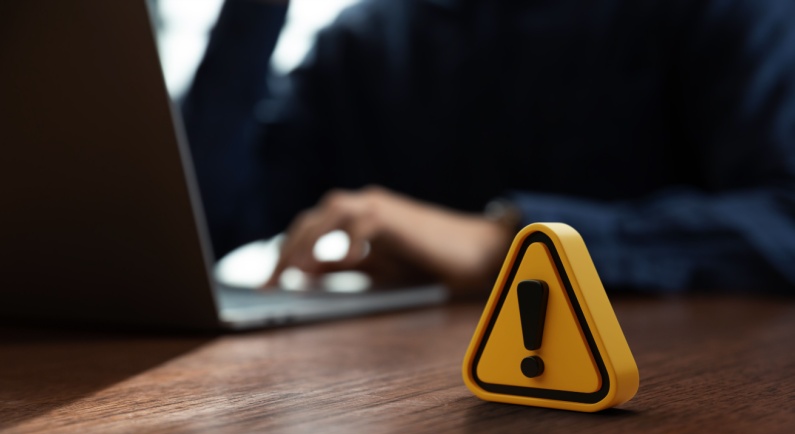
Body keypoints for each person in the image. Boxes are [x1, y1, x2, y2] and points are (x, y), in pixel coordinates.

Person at [182, 0, 795, 296]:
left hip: (669, 416)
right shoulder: (370, 42)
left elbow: (782, 219)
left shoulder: (722, 12)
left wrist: (508, 243)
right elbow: (202, 224)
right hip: (420, 418)